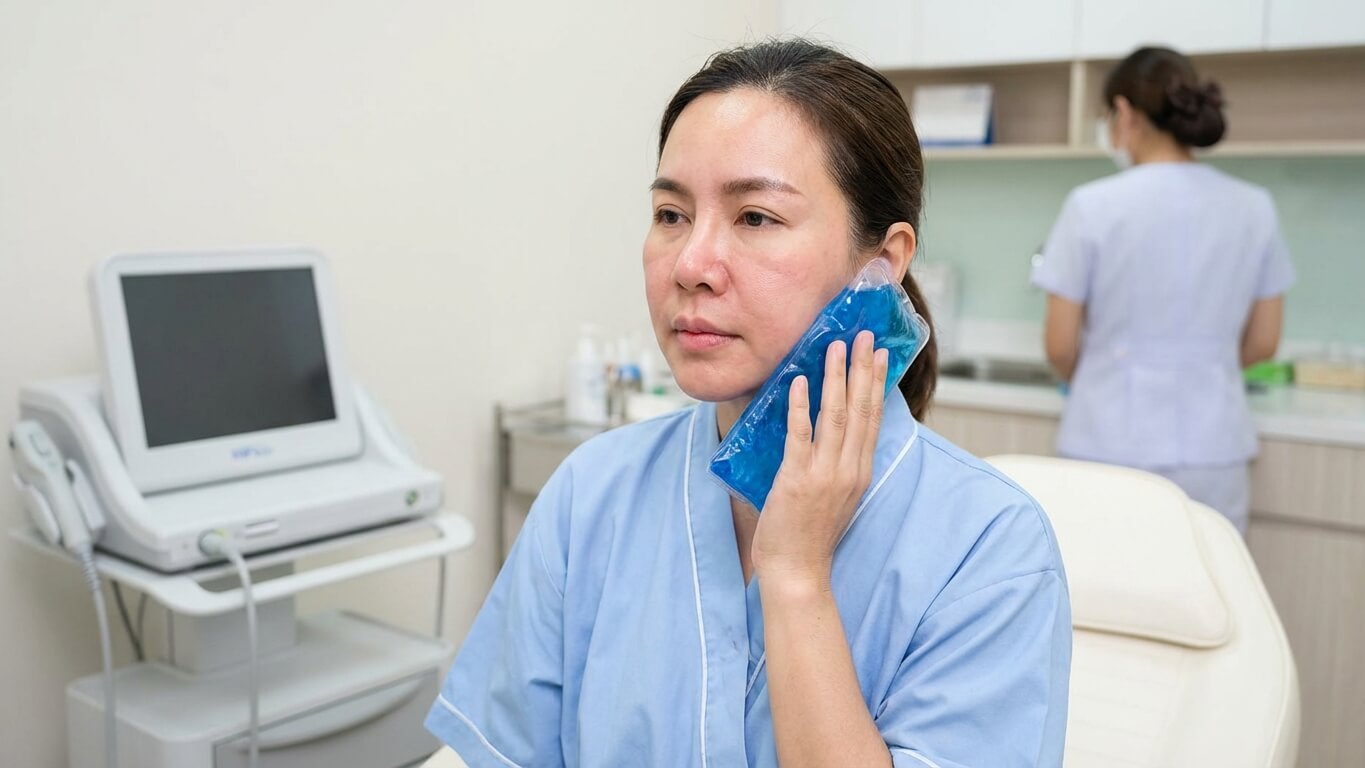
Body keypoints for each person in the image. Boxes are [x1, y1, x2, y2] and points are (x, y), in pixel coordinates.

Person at [428, 39, 1071, 768]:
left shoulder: (990, 550)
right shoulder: (591, 494)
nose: (692, 265)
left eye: (756, 217)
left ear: (880, 265)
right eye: (671, 214)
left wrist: (795, 578)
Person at [1032, 46, 1294, 535]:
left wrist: (1107, 375)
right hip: (1215, 451)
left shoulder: (1091, 206)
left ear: (1126, 113)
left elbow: (1060, 345)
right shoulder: (1253, 207)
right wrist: (1199, 368)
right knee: (1205, 605)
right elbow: (1264, 343)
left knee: (1104, 604)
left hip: (1105, 444)